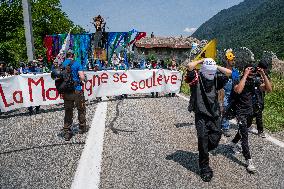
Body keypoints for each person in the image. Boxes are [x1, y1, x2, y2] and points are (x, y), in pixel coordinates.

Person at [184, 58, 231, 182]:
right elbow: (189, 66)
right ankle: (204, 167)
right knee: (203, 139)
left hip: (214, 113)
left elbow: (229, 73)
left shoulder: (216, 77)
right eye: (209, 72)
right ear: (203, 70)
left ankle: (203, 149)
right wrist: (202, 61)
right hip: (201, 114)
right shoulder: (195, 77)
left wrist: (215, 65)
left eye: (212, 72)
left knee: (216, 138)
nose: (211, 75)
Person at [228, 64, 272, 173]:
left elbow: (268, 89)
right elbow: (238, 90)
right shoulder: (238, 79)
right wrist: (245, 75)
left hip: (250, 112)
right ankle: (249, 160)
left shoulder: (255, 81)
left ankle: (233, 143)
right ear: (244, 71)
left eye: (253, 70)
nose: (252, 72)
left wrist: (263, 74)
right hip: (240, 112)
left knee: (244, 130)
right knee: (245, 136)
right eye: (249, 70)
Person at [61, 50, 87, 141]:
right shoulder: (77, 63)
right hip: (77, 90)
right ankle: (82, 127)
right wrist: (84, 78)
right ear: (73, 55)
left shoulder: (62, 64)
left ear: (67, 55)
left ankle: (67, 131)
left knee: (68, 110)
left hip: (67, 91)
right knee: (81, 109)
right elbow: (82, 77)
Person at [246, 60, 271, 138]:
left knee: (258, 112)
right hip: (252, 97)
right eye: (264, 69)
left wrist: (263, 77)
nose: (266, 70)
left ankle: (249, 126)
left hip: (260, 97)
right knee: (256, 114)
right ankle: (259, 131)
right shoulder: (254, 74)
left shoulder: (265, 75)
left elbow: (268, 86)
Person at [221, 49, 240, 137]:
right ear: (227, 60)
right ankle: (225, 127)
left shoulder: (236, 71)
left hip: (233, 93)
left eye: (234, 60)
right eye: (232, 60)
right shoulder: (222, 70)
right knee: (225, 109)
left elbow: (238, 82)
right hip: (224, 93)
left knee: (232, 110)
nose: (233, 61)